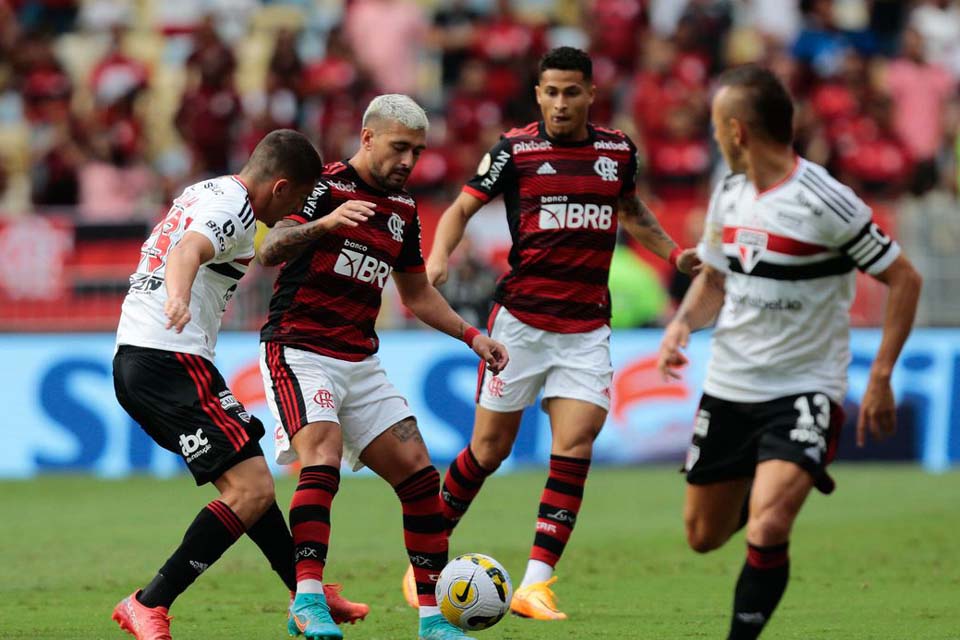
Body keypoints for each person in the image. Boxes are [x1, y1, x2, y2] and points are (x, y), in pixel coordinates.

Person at [415, 46, 699, 621]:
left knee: (575, 447)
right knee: (489, 450)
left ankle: (535, 584)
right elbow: (460, 209)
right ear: (538, 95)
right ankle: (423, 557)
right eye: (552, 92)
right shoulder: (515, 151)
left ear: (590, 94)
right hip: (519, 322)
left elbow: (633, 211)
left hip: (587, 327)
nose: (562, 102)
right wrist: (439, 257)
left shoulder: (617, 151)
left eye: (573, 92)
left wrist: (674, 254)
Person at [656, 65, 922, 640]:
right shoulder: (728, 192)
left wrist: (879, 375)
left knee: (769, 523)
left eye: (714, 126)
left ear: (736, 130)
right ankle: (764, 475)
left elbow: (904, 279)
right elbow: (715, 280)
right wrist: (681, 326)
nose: (712, 137)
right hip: (730, 385)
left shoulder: (826, 201)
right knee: (703, 536)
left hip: (804, 386)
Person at [256, 94, 509, 640]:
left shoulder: (403, 210)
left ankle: (433, 618)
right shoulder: (321, 184)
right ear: (367, 138)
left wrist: (473, 335)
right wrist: (325, 224)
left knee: (420, 476)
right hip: (299, 348)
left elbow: (417, 295)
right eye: (399, 148)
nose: (408, 162)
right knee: (319, 456)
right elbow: (270, 248)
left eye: (416, 152)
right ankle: (307, 600)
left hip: (359, 360)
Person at [111, 130, 367, 640]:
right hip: (166, 356)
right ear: (280, 186)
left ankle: (305, 592)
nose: (296, 208)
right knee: (250, 488)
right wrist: (179, 297)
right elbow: (187, 250)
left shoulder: (209, 189)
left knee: (249, 482)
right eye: (297, 198)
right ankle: (148, 603)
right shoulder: (236, 209)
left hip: (158, 356)